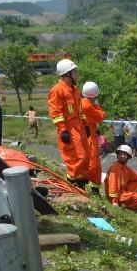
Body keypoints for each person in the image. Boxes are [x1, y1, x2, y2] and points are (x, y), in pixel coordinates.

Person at [47, 58, 90, 186]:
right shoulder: (57, 90)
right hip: (69, 130)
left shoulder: (75, 90)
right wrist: (63, 130)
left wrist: (86, 125)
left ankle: (81, 183)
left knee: (85, 156)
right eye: (74, 71)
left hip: (80, 128)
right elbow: (56, 112)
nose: (77, 73)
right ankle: (72, 183)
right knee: (76, 157)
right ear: (67, 74)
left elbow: (80, 111)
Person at [80, 81, 105, 194]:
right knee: (92, 164)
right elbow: (100, 116)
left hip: (86, 135)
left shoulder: (81, 102)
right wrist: (98, 106)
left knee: (92, 163)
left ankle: (89, 187)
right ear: (95, 95)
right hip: (89, 137)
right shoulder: (89, 106)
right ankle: (90, 189)